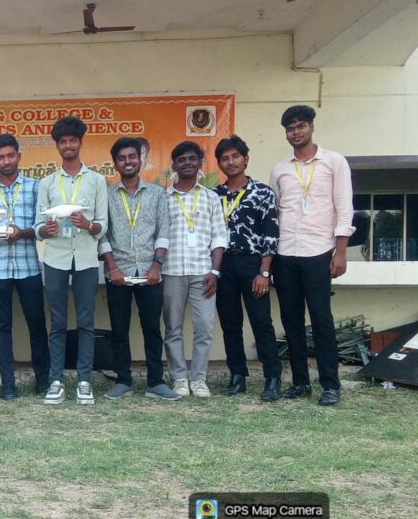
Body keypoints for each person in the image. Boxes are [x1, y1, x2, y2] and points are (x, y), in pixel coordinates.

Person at [270, 105, 353, 406]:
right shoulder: (280, 169)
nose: (295, 132)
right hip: (285, 253)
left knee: (321, 320)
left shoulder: (334, 162)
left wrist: (340, 252)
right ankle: (300, 383)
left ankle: (330, 385)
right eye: (290, 128)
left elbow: (344, 207)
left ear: (312, 127)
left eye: (300, 126)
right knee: (291, 321)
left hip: (318, 252)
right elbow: (274, 213)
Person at [35, 116, 107, 406]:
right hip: (55, 257)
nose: (68, 145)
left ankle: (84, 381)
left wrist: (88, 225)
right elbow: (38, 227)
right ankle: (56, 381)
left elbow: (103, 225)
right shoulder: (47, 183)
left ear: (80, 142)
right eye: (62, 141)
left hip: (86, 258)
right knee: (58, 323)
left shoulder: (96, 180)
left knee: (86, 322)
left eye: (72, 140)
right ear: (57, 146)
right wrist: (47, 229)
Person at [100, 138, 178, 401]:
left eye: (132, 157)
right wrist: (112, 268)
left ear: (140, 160)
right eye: (122, 158)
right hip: (118, 273)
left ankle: (155, 382)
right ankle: (123, 380)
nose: (128, 162)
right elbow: (103, 235)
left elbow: (163, 231)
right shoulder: (107, 195)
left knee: (152, 329)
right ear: (115, 164)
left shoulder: (156, 193)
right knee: (119, 329)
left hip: (149, 272)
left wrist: (157, 266)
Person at [0, 134, 50, 400]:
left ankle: (43, 381)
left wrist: (23, 232)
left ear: (18, 156)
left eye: (10, 156)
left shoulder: (35, 187)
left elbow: (43, 228)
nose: (6, 161)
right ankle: (8, 384)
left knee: (37, 323)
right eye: (0, 157)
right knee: (2, 326)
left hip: (29, 266)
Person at [214, 135, 283, 402]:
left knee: (261, 322)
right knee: (230, 323)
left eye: (235, 156)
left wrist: (265, 272)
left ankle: (272, 378)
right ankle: (237, 376)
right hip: (223, 265)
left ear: (246, 159)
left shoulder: (263, 193)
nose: (230, 162)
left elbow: (271, 234)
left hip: (253, 264)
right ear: (219, 163)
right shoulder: (214, 195)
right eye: (225, 158)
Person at [162, 142, 228, 398]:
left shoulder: (211, 197)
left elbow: (219, 237)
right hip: (171, 271)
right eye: (181, 159)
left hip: (203, 273)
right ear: (174, 165)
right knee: (173, 328)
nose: (187, 163)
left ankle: (199, 379)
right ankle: (179, 378)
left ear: (200, 163)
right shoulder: (163, 198)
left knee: (204, 327)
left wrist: (215, 271)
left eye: (192, 158)